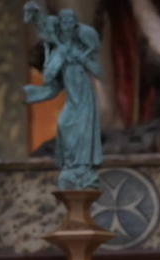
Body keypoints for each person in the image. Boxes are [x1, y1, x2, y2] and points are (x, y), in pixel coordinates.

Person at [23, 2, 104, 189]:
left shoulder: (81, 48)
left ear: (75, 25)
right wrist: (35, 94)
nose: (66, 24)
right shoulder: (58, 51)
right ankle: (70, 166)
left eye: (70, 21)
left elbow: (98, 71)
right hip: (71, 97)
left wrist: (82, 59)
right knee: (64, 123)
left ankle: (83, 169)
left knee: (82, 129)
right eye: (63, 21)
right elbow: (52, 81)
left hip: (83, 96)